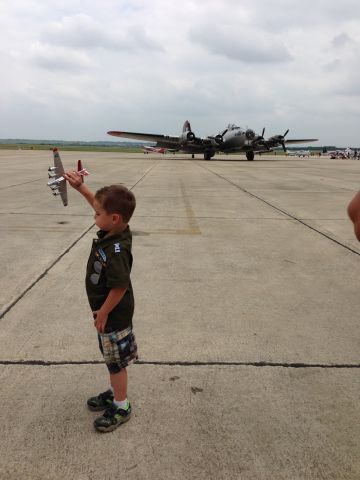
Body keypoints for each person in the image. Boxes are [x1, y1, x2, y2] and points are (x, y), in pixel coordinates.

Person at [64, 171, 138, 433]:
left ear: (113, 218)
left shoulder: (117, 250)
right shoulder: (115, 230)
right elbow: (101, 206)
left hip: (113, 316)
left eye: (97, 215)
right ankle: (114, 390)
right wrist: (81, 187)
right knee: (111, 358)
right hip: (108, 314)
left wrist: (104, 313)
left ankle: (121, 405)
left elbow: (119, 286)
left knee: (115, 362)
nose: (94, 216)